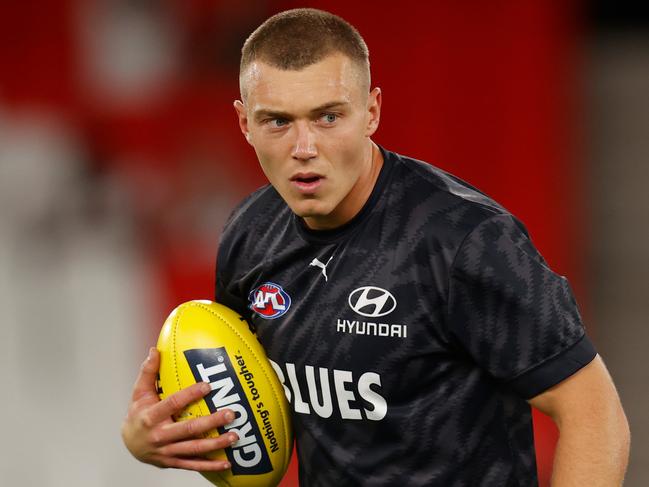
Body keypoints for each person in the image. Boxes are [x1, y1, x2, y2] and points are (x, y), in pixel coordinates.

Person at [122, 8, 630, 486]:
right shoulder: (250, 234)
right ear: (244, 124)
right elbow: (247, 417)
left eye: (328, 117)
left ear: (372, 112)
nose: (304, 148)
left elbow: (595, 415)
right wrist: (153, 436)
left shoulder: (466, 241)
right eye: (278, 121)